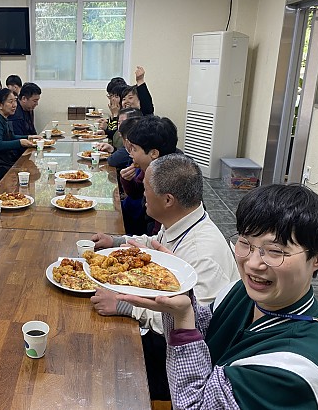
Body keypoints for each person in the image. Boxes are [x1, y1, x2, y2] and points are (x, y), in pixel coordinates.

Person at [119, 183, 318, 409]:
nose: (253, 264)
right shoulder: (241, 291)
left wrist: (183, 319)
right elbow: (205, 330)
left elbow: (194, 406)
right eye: (245, 243)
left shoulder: (293, 371)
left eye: (275, 251)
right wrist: (178, 292)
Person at [91, 154, 239, 401]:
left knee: (104, 362)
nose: (143, 193)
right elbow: (154, 244)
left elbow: (191, 322)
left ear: (168, 200)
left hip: (184, 362)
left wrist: (124, 306)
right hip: (166, 330)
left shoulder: (202, 255)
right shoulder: (182, 221)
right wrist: (116, 241)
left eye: (146, 188)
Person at [122, 115, 178, 236]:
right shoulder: (150, 167)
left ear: (153, 153)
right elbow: (136, 193)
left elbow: (158, 237)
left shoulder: (167, 180)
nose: (131, 154)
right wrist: (127, 179)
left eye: (134, 149)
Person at [0, 88, 38, 185]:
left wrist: (28, 137)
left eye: (15, 101)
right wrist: (20, 143)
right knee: (26, 172)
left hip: (2, 160)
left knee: (28, 169)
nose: (14, 105)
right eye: (10, 102)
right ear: (0, 105)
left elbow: (10, 136)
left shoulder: (3, 117)